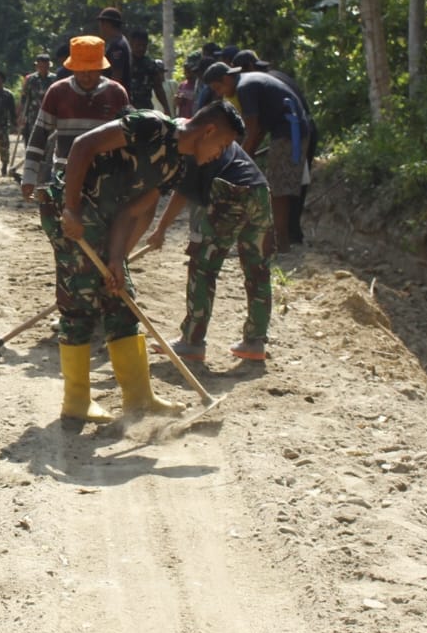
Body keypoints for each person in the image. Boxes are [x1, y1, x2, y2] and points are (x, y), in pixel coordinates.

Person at [39, 107, 221, 420]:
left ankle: (139, 399)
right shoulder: (152, 125)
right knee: (81, 301)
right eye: (223, 144)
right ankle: (76, 402)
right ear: (209, 131)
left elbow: (134, 212)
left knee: (121, 300)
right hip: (72, 209)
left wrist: (117, 259)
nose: (220, 153)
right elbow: (83, 145)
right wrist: (71, 209)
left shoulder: (178, 167)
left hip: (107, 220)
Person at [146, 100, 273, 363]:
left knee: (203, 266)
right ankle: (255, 341)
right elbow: (184, 190)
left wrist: (161, 228)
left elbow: (181, 193)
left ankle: (192, 341)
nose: (221, 151)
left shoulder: (193, 143)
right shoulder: (200, 138)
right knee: (258, 269)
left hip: (231, 191)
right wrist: (161, 229)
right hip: (260, 190)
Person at [202, 62, 306, 255]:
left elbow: (253, 130)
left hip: (290, 133)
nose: (218, 93)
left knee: (279, 189)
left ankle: (281, 243)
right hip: (285, 131)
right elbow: (258, 131)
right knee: (277, 186)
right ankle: (277, 241)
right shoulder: (248, 83)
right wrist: (246, 156)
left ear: (226, 79)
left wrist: (239, 160)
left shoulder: (245, 88)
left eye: (218, 88)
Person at [20, 36, 130, 200]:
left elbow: (128, 139)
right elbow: (39, 135)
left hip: (106, 178)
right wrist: (29, 176)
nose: (86, 76)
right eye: (81, 70)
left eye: (91, 70)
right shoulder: (57, 92)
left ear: (100, 68)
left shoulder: (116, 93)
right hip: (65, 176)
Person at [235, 50, 316, 246]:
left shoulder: (252, 84)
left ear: (247, 68)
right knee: (293, 184)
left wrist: (243, 157)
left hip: (294, 132)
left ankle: (286, 237)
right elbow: (261, 127)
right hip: (301, 129)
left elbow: (256, 129)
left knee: (284, 186)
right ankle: (291, 234)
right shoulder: (271, 78)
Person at [15, 52, 53, 179]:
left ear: (49, 66)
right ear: (37, 66)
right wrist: (21, 115)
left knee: (49, 144)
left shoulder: (54, 79)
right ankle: (32, 171)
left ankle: (45, 172)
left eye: (45, 66)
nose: (42, 69)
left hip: (50, 117)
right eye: (40, 66)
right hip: (33, 118)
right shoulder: (31, 80)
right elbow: (24, 98)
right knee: (33, 143)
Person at [126, 29, 168, 112]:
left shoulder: (150, 65)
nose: (141, 48)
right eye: (138, 45)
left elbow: (158, 88)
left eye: (144, 45)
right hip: (126, 108)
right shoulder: (124, 62)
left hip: (145, 109)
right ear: (131, 43)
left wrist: (166, 108)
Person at [96, 7, 133, 89]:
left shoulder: (117, 45)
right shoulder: (120, 41)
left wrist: (111, 92)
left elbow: (116, 74)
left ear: (107, 24)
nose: (100, 27)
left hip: (115, 93)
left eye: (101, 23)